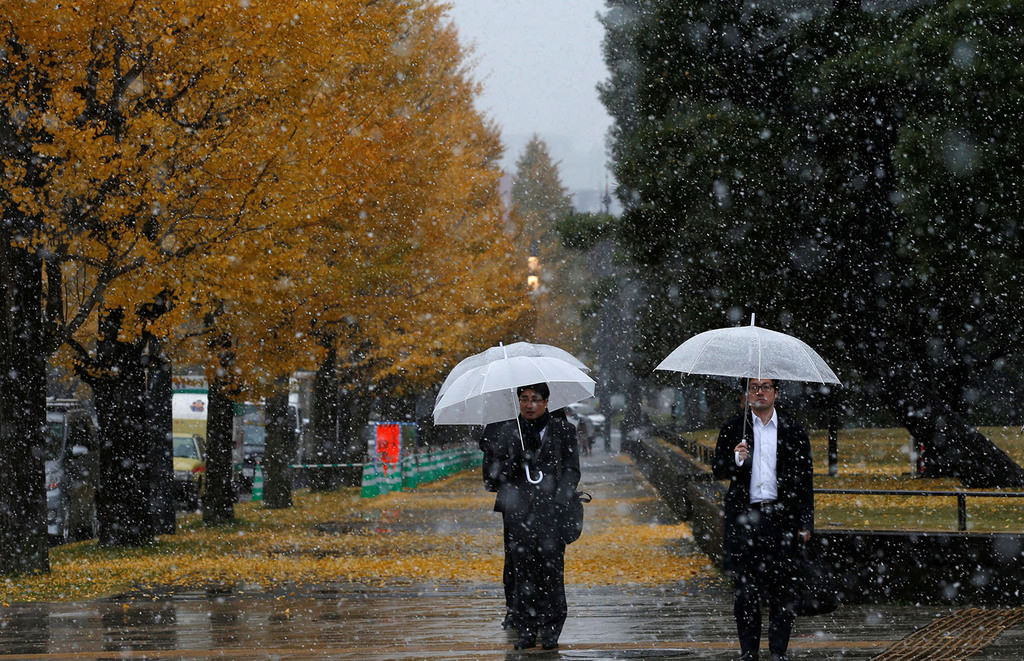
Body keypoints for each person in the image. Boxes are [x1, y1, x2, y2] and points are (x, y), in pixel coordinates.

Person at [712, 378, 814, 661]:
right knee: (746, 591)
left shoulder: (792, 430)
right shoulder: (735, 427)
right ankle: (748, 651)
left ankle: (779, 650)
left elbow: (805, 479)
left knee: (783, 589)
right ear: (747, 394)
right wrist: (736, 458)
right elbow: (717, 470)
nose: (759, 392)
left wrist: (806, 523)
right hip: (744, 519)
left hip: (781, 519)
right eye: (754, 387)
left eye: (766, 387)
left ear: (776, 393)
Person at [479, 383, 581, 650]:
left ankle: (551, 630)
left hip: (553, 515)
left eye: (535, 399)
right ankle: (526, 629)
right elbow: (493, 476)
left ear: (546, 402)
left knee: (552, 572)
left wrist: (559, 498)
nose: (529, 405)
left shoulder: (563, 431)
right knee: (522, 573)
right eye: (524, 399)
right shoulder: (508, 432)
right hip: (518, 515)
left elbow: (572, 470)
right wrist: (514, 461)